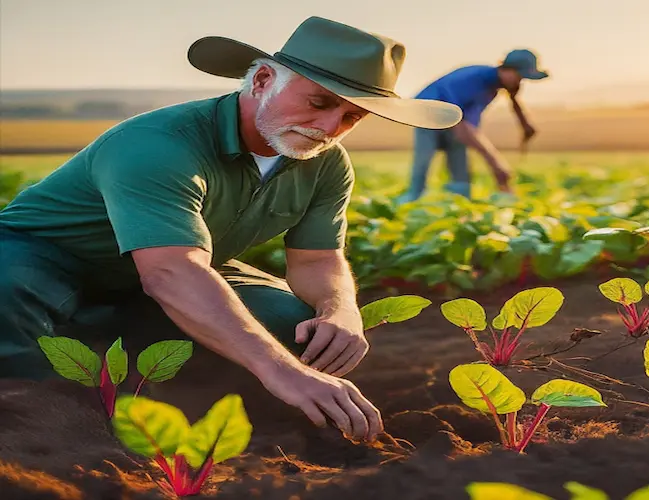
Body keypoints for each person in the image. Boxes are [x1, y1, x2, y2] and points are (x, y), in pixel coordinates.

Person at [0, 16, 460, 442]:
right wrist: (280, 371)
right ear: (262, 81)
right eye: (319, 103)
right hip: (48, 260)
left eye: (352, 117)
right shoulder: (158, 145)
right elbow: (171, 271)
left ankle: (144, 380)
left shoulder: (325, 163)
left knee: (297, 329)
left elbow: (318, 258)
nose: (329, 127)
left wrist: (340, 310)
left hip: (167, 278)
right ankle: (43, 416)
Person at [396, 49, 548, 203]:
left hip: (451, 119)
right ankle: (411, 198)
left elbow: (468, 125)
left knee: (460, 164)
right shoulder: (476, 80)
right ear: (507, 70)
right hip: (427, 114)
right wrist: (495, 163)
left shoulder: (492, 87)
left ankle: (460, 201)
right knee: (423, 162)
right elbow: (461, 125)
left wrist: (524, 123)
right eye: (519, 77)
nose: (519, 83)